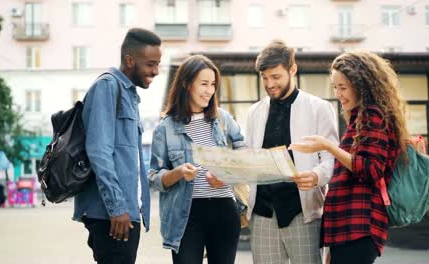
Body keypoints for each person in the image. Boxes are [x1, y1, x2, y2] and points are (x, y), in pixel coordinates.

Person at [290, 51, 409, 264]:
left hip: (359, 226)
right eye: (335, 87)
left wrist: (328, 146)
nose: (338, 93)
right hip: (346, 227)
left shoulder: (373, 115)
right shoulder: (359, 117)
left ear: (361, 85)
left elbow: (372, 170)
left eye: (343, 87)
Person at [245, 40, 339, 264]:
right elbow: (248, 157)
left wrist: (317, 176)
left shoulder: (320, 108)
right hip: (262, 214)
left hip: (302, 214)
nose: (269, 84)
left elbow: (330, 158)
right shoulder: (254, 112)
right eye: (265, 78)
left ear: (292, 69)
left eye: (275, 77)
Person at [73, 28, 162, 264]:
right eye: (151, 64)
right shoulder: (107, 87)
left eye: (158, 64)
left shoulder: (129, 94)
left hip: (125, 212)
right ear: (130, 60)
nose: (156, 70)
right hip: (112, 215)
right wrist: (116, 207)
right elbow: (99, 152)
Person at [149, 54, 245, 264]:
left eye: (213, 84)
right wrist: (178, 173)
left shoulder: (223, 118)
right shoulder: (165, 128)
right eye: (204, 84)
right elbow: (153, 178)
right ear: (186, 83)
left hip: (224, 210)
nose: (209, 91)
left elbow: (244, 155)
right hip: (187, 215)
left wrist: (227, 175)